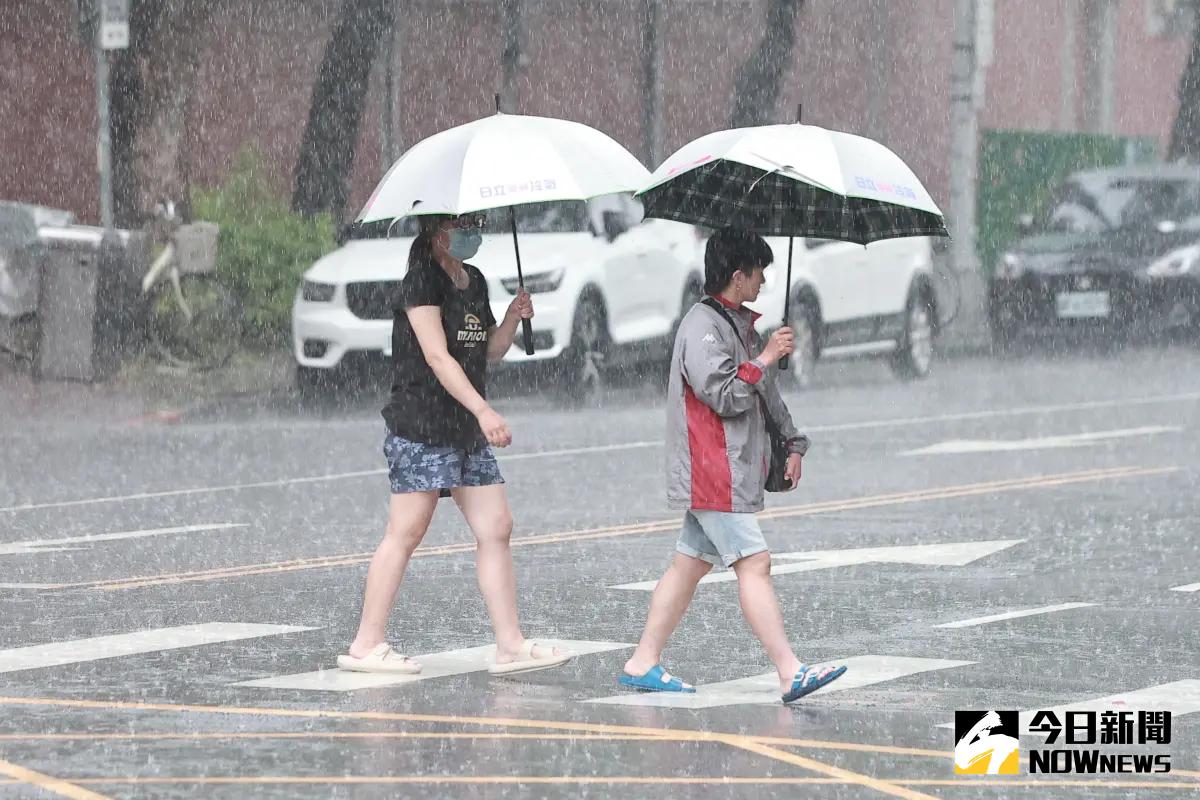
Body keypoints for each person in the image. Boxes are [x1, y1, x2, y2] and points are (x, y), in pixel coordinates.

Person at [619, 227, 846, 703]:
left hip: (726, 469)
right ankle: (790, 671)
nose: (764, 280)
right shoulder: (703, 326)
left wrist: (792, 441)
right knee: (755, 563)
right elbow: (723, 393)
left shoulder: (739, 323)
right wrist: (764, 357)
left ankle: (643, 661)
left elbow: (764, 392)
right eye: (758, 272)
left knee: (688, 566)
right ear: (737, 275)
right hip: (712, 469)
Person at [338, 212, 570, 676]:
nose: (473, 231)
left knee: (496, 526)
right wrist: (484, 410)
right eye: (463, 223)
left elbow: (486, 349)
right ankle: (366, 644)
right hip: (422, 424)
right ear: (436, 230)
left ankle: (510, 643)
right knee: (406, 531)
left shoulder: (474, 281)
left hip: (465, 428)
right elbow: (438, 357)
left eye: (477, 222)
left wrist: (510, 319)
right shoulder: (421, 282)